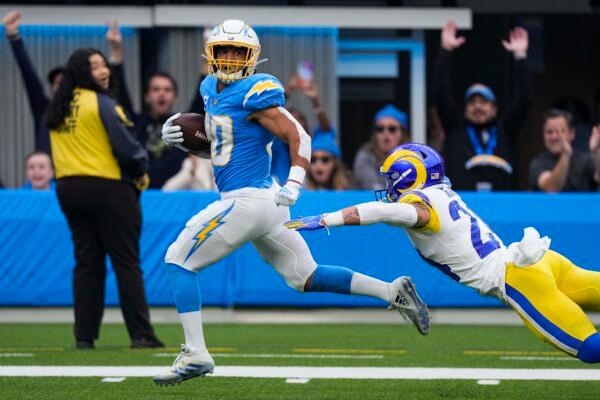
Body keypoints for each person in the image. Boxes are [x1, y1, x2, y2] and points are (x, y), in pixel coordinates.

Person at [154, 19, 430, 386]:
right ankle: (391, 291)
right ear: (212, 54)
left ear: (252, 57)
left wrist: (295, 181)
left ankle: (196, 352)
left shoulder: (255, 90)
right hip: (264, 204)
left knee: (178, 261)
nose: (233, 59)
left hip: (249, 200)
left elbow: (298, 134)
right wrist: (187, 143)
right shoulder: (208, 87)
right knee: (306, 276)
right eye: (226, 51)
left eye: (240, 52)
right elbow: (227, 148)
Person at [287, 143, 600, 364]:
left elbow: (383, 211)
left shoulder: (421, 208)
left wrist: (329, 219)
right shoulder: (442, 192)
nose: (387, 186)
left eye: (390, 178)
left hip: (520, 279)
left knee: (590, 348)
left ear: (406, 177)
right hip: (542, 261)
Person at [44, 47, 163, 350]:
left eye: (104, 65)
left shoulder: (57, 106)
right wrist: (140, 170)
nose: (104, 70)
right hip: (108, 189)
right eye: (95, 66)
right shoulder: (103, 103)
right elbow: (129, 148)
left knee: (87, 263)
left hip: (68, 190)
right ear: (82, 72)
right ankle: (141, 335)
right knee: (127, 262)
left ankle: (84, 337)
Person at [3, 12, 127, 154]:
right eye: (56, 83)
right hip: (48, 175)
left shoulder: (92, 107)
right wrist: (14, 37)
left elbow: (116, 92)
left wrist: (116, 50)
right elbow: (29, 76)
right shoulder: (44, 110)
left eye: (65, 82)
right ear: (51, 89)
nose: (61, 86)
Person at [433, 20, 531, 191]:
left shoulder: (506, 131)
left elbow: (524, 99)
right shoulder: (455, 129)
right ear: (465, 108)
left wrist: (520, 58)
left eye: (483, 102)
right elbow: (440, 94)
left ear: (494, 109)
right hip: (461, 207)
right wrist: (445, 51)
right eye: (472, 102)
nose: (477, 106)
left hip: (504, 206)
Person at [106, 21, 187, 189]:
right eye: (156, 89)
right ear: (147, 97)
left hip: (176, 198)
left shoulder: (186, 127)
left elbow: (201, 101)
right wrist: (116, 50)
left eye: (167, 89)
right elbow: (120, 92)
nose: (161, 93)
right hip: (141, 196)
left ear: (175, 97)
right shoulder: (135, 124)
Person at [529, 109, 600, 192]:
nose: (554, 137)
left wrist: (596, 151)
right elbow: (551, 188)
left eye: (560, 132)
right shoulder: (538, 162)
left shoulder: (585, 159)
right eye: (549, 132)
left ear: (572, 134)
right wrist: (565, 154)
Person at [353, 104, 408, 190]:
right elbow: (373, 189)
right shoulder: (365, 156)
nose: (386, 133)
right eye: (380, 129)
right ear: (374, 135)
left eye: (392, 129)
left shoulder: (411, 157)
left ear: (402, 133)